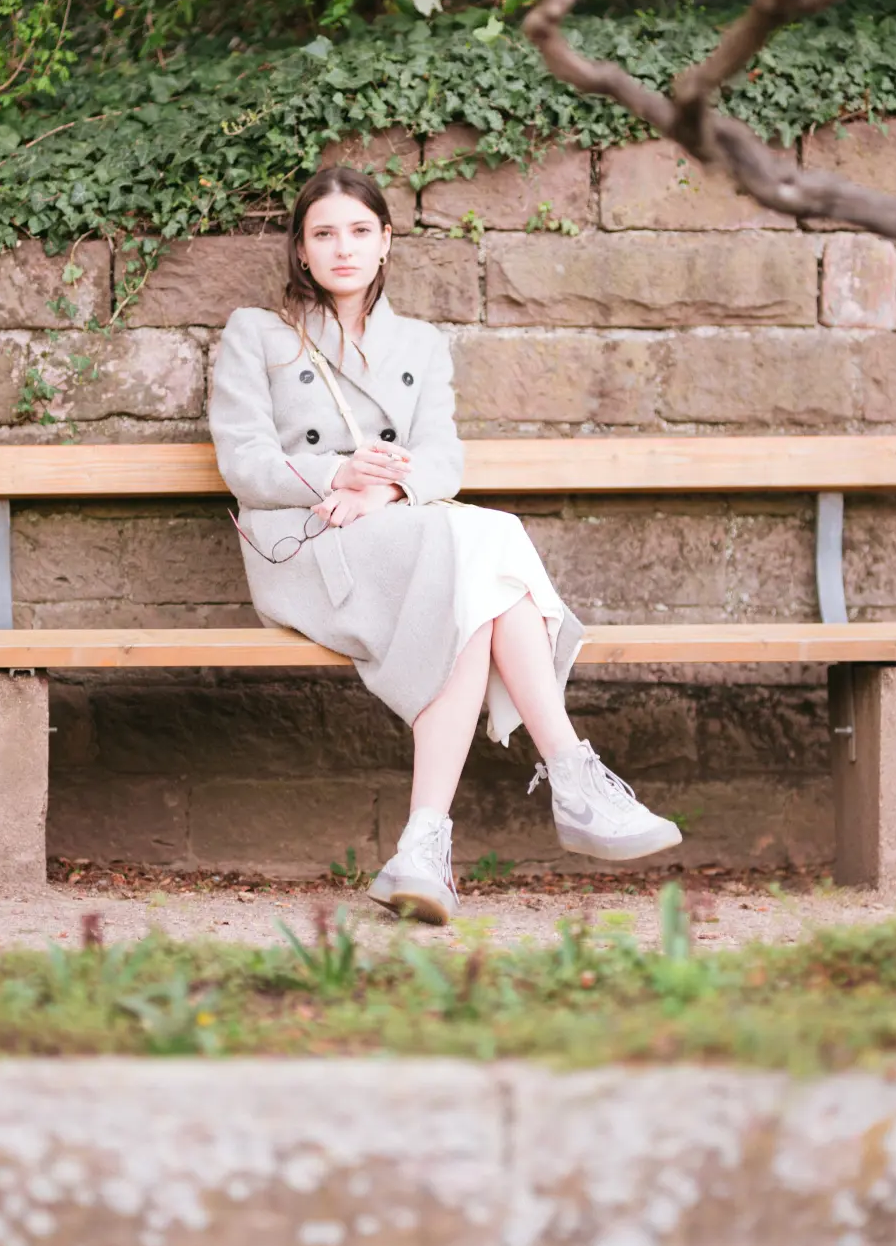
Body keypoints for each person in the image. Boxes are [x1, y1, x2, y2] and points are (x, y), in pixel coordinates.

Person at [208, 165, 681, 926]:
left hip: (399, 530)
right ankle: (570, 774)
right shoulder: (256, 333)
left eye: (360, 231)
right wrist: (340, 473)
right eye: (324, 234)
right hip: (307, 540)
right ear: (300, 249)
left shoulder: (420, 344)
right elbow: (244, 462)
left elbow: (441, 458)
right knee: (488, 544)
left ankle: (423, 851)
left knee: (474, 587)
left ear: (387, 241)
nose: (343, 249)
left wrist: (387, 489)